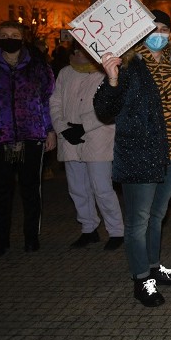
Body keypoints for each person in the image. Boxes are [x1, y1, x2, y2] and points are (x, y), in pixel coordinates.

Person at [94, 9, 171, 307]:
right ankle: (141, 280)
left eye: (164, 28)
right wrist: (112, 80)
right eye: (152, 28)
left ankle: (155, 269)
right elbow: (104, 109)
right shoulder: (129, 65)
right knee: (138, 221)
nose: (159, 34)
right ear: (140, 33)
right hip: (140, 154)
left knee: (157, 216)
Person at [0, 21, 57, 255]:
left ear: (22, 38)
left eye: (14, 34)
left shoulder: (37, 66)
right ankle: (0, 239)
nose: (9, 38)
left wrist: (49, 130)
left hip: (31, 135)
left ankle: (31, 237)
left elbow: (48, 100)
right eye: (4, 35)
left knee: (31, 189)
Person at [49, 42, 124, 250]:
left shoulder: (105, 72)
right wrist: (62, 127)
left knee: (102, 188)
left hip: (98, 137)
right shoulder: (65, 72)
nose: (79, 53)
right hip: (70, 138)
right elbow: (55, 101)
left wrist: (85, 126)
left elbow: (111, 105)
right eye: (76, 50)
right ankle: (88, 228)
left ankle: (116, 230)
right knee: (77, 188)